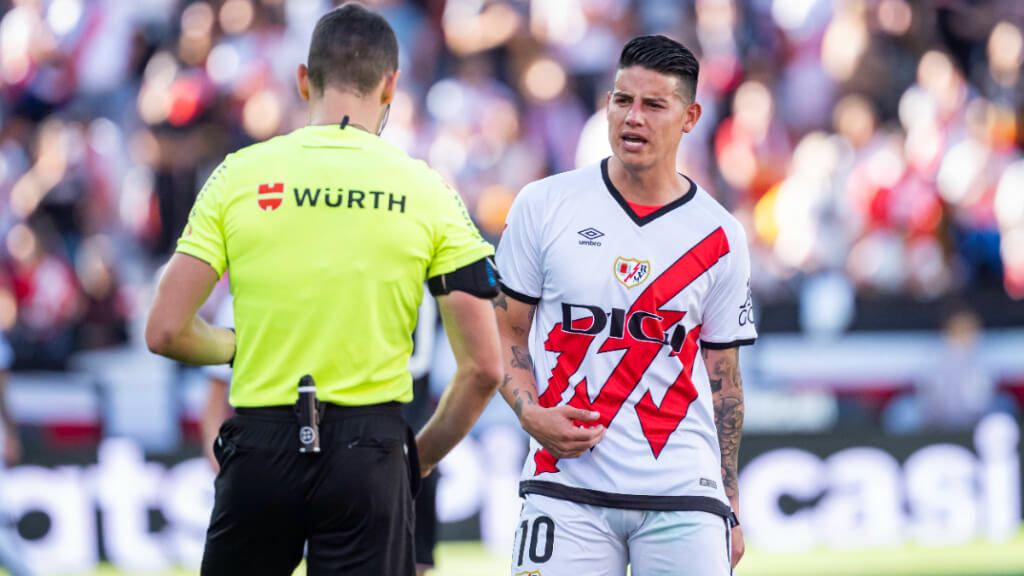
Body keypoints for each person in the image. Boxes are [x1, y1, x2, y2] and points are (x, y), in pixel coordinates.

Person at [145, 5, 503, 575]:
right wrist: (418, 458)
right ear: (391, 86)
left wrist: (237, 346)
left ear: (303, 79)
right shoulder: (428, 189)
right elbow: (484, 368)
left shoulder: (239, 173)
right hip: (371, 452)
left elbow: (165, 330)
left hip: (261, 443)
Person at [494, 35, 756, 575]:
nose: (633, 117)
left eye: (654, 104)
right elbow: (504, 329)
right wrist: (530, 413)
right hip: (564, 486)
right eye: (622, 100)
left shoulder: (720, 235)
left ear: (690, 117)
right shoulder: (544, 205)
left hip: (682, 492)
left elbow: (724, 380)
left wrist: (729, 498)